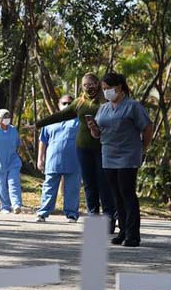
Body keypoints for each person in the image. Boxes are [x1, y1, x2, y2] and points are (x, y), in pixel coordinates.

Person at [37, 73, 115, 223]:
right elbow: (58, 118)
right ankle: (93, 216)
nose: (89, 88)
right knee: (89, 186)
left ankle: (108, 217)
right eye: (85, 85)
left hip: (100, 149)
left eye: (91, 84)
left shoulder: (106, 101)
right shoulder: (79, 103)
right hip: (81, 151)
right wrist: (38, 124)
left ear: (98, 84)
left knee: (103, 184)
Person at [86, 72, 153, 247]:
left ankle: (132, 234)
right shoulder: (104, 108)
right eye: (104, 89)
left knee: (127, 192)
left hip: (128, 155)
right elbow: (98, 134)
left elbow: (147, 127)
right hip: (108, 154)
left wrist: (143, 147)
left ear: (120, 87)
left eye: (109, 88)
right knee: (115, 195)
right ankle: (122, 230)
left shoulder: (133, 106)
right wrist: (93, 128)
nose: (106, 92)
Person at [35, 94, 81, 223]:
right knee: (49, 188)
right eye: (64, 103)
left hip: (74, 161)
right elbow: (43, 141)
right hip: (53, 161)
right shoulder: (50, 121)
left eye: (70, 103)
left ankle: (71, 214)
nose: (67, 105)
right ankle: (43, 213)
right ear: (59, 105)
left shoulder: (80, 121)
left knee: (72, 190)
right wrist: (40, 159)